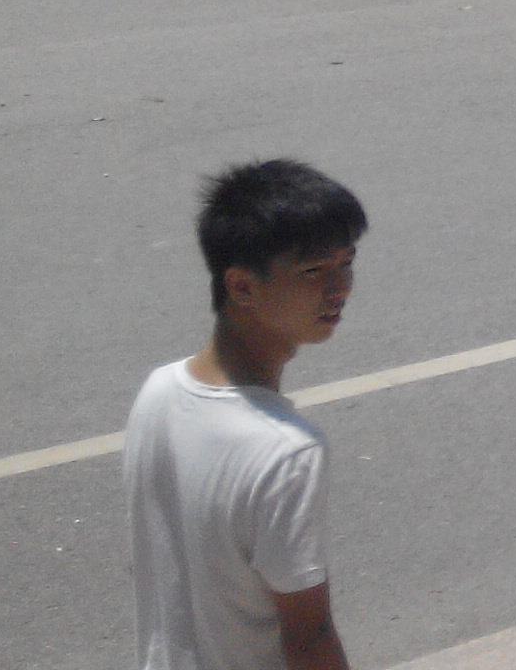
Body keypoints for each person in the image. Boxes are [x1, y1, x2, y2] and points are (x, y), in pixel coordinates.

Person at [127, 159, 367, 670]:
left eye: (345, 262)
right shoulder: (286, 452)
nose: (340, 287)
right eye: (312, 271)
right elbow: (309, 636)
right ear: (241, 287)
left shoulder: (158, 393)